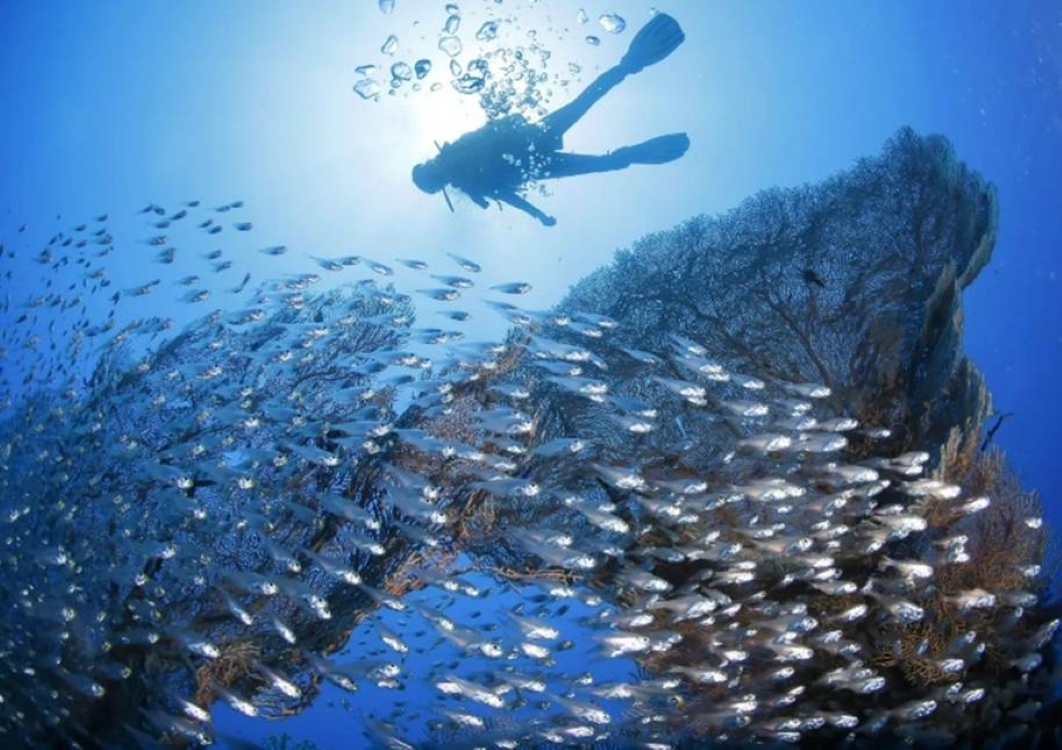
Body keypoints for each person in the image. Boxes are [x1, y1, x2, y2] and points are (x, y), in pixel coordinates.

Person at [412, 13, 689, 227]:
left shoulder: (466, 171)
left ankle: (630, 67)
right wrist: (538, 213)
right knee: (585, 108)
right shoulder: (468, 178)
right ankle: (629, 71)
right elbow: (509, 195)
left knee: (587, 117)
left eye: (431, 170)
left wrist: (538, 214)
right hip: (536, 155)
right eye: (432, 172)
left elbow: (506, 191)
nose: (436, 167)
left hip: (534, 148)